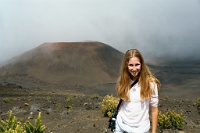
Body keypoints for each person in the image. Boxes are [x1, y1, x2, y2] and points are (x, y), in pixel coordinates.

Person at [115, 49, 160, 133]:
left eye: (137, 65)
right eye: (131, 65)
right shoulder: (123, 81)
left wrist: (154, 132)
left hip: (141, 129)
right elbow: (123, 103)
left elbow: (154, 109)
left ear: (142, 65)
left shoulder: (150, 84)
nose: (134, 69)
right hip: (121, 126)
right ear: (126, 66)